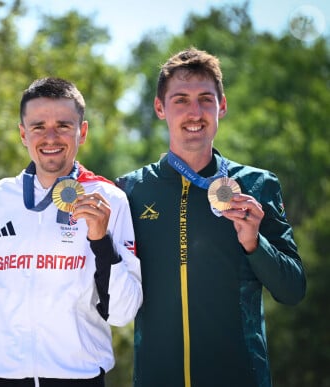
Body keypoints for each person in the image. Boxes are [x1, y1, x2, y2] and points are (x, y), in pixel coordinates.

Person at [116, 47, 306, 387]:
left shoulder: (258, 186)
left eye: (206, 99)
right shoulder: (130, 191)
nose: (195, 112)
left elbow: (292, 289)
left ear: (222, 105)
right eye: (181, 100)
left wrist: (254, 243)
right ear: (160, 108)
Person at [0, 77, 143, 387]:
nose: (50, 137)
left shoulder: (109, 199)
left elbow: (123, 312)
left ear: (82, 132)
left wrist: (101, 240)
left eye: (63, 125)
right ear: (23, 134)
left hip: (76, 377)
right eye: (38, 127)